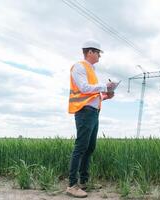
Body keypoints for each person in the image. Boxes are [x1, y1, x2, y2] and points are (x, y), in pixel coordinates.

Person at [66, 40, 116, 198]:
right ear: (90, 52)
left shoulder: (92, 69)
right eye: (98, 52)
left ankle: (84, 181)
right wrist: (103, 86)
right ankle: (72, 185)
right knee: (80, 148)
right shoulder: (79, 66)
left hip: (93, 111)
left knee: (90, 148)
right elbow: (83, 88)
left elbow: (92, 94)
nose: (100, 55)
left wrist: (106, 95)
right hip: (84, 111)